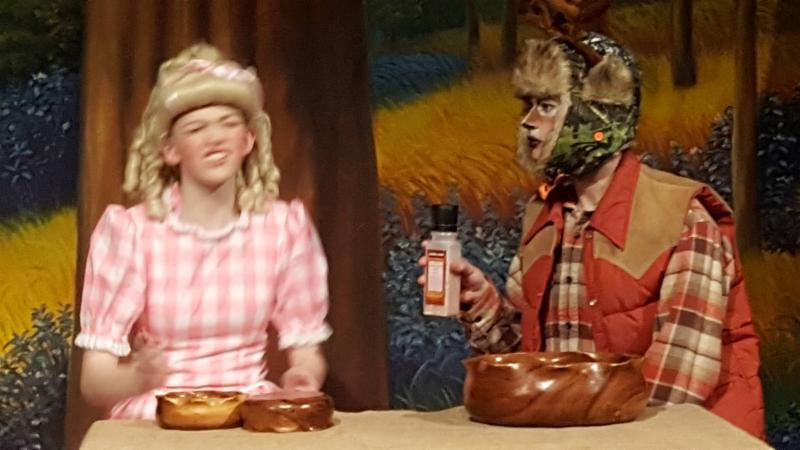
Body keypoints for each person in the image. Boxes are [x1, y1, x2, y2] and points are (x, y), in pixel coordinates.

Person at [420, 32, 765, 438]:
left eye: (548, 105)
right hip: (589, 437)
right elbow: (531, 366)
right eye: (528, 105)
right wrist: (482, 304)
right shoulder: (545, 216)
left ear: (598, 115)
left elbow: (676, 388)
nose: (528, 121)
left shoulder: (682, 219)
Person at [75, 43, 331, 420]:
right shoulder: (133, 233)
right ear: (170, 150)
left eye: (228, 124)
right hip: (162, 415)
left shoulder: (282, 228)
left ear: (248, 140)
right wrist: (138, 377)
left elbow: (306, 353)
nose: (216, 139)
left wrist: (302, 378)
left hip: (247, 411)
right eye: (197, 129)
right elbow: (94, 382)